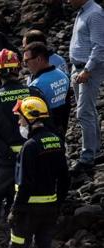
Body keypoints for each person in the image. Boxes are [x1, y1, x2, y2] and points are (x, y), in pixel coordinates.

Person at [0, 49, 44, 248]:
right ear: (18, 69)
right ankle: (28, 246)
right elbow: (46, 124)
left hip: (2, 165)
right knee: (28, 201)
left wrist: (5, 152)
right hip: (32, 161)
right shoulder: (33, 94)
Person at [8, 97, 69, 248]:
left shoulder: (30, 146)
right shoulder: (56, 140)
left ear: (31, 118)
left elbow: (24, 183)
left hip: (27, 210)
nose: (19, 123)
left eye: (20, 118)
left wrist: (15, 209)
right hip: (50, 208)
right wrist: (58, 203)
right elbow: (64, 178)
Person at [68, 0, 104, 175]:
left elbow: (100, 46)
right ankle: (95, 149)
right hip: (78, 67)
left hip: (88, 70)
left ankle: (87, 158)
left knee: (83, 113)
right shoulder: (83, 11)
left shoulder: (95, 13)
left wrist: (88, 70)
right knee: (88, 110)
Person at [23, 42, 71, 140]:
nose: (25, 65)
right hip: (61, 128)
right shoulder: (63, 76)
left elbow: (33, 116)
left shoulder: (36, 85)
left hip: (45, 135)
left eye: (26, 61)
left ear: (39, 59)